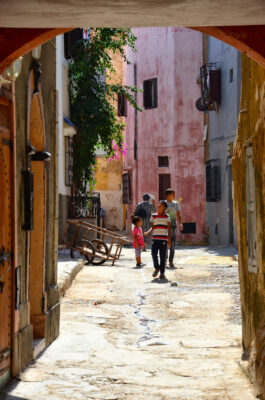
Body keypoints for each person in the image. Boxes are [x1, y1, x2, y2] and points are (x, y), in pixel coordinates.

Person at [146, 200, 171, 280]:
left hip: (164, 239)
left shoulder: (167, 217)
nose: (159, 205)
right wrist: (148, 232)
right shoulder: (153, 216)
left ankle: (162, 273)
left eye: (161, 205)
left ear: (164, 208)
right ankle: (157, 268)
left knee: (163, 257)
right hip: (155, 239)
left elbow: (169, 229)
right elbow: (153, 227)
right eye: (158, 204)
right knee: (153, 254)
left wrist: (169, 239)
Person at [165, 188, 183, 268]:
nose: (174, 196)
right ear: (168, 195)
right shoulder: (163, 203)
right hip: (164, 226)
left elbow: (178, 215)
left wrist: (180, 224)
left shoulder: (176, 204)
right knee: (164, 243)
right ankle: (164, 260)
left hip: (173, 225)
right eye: (173, 195)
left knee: (172, 244)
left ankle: (171, 261)